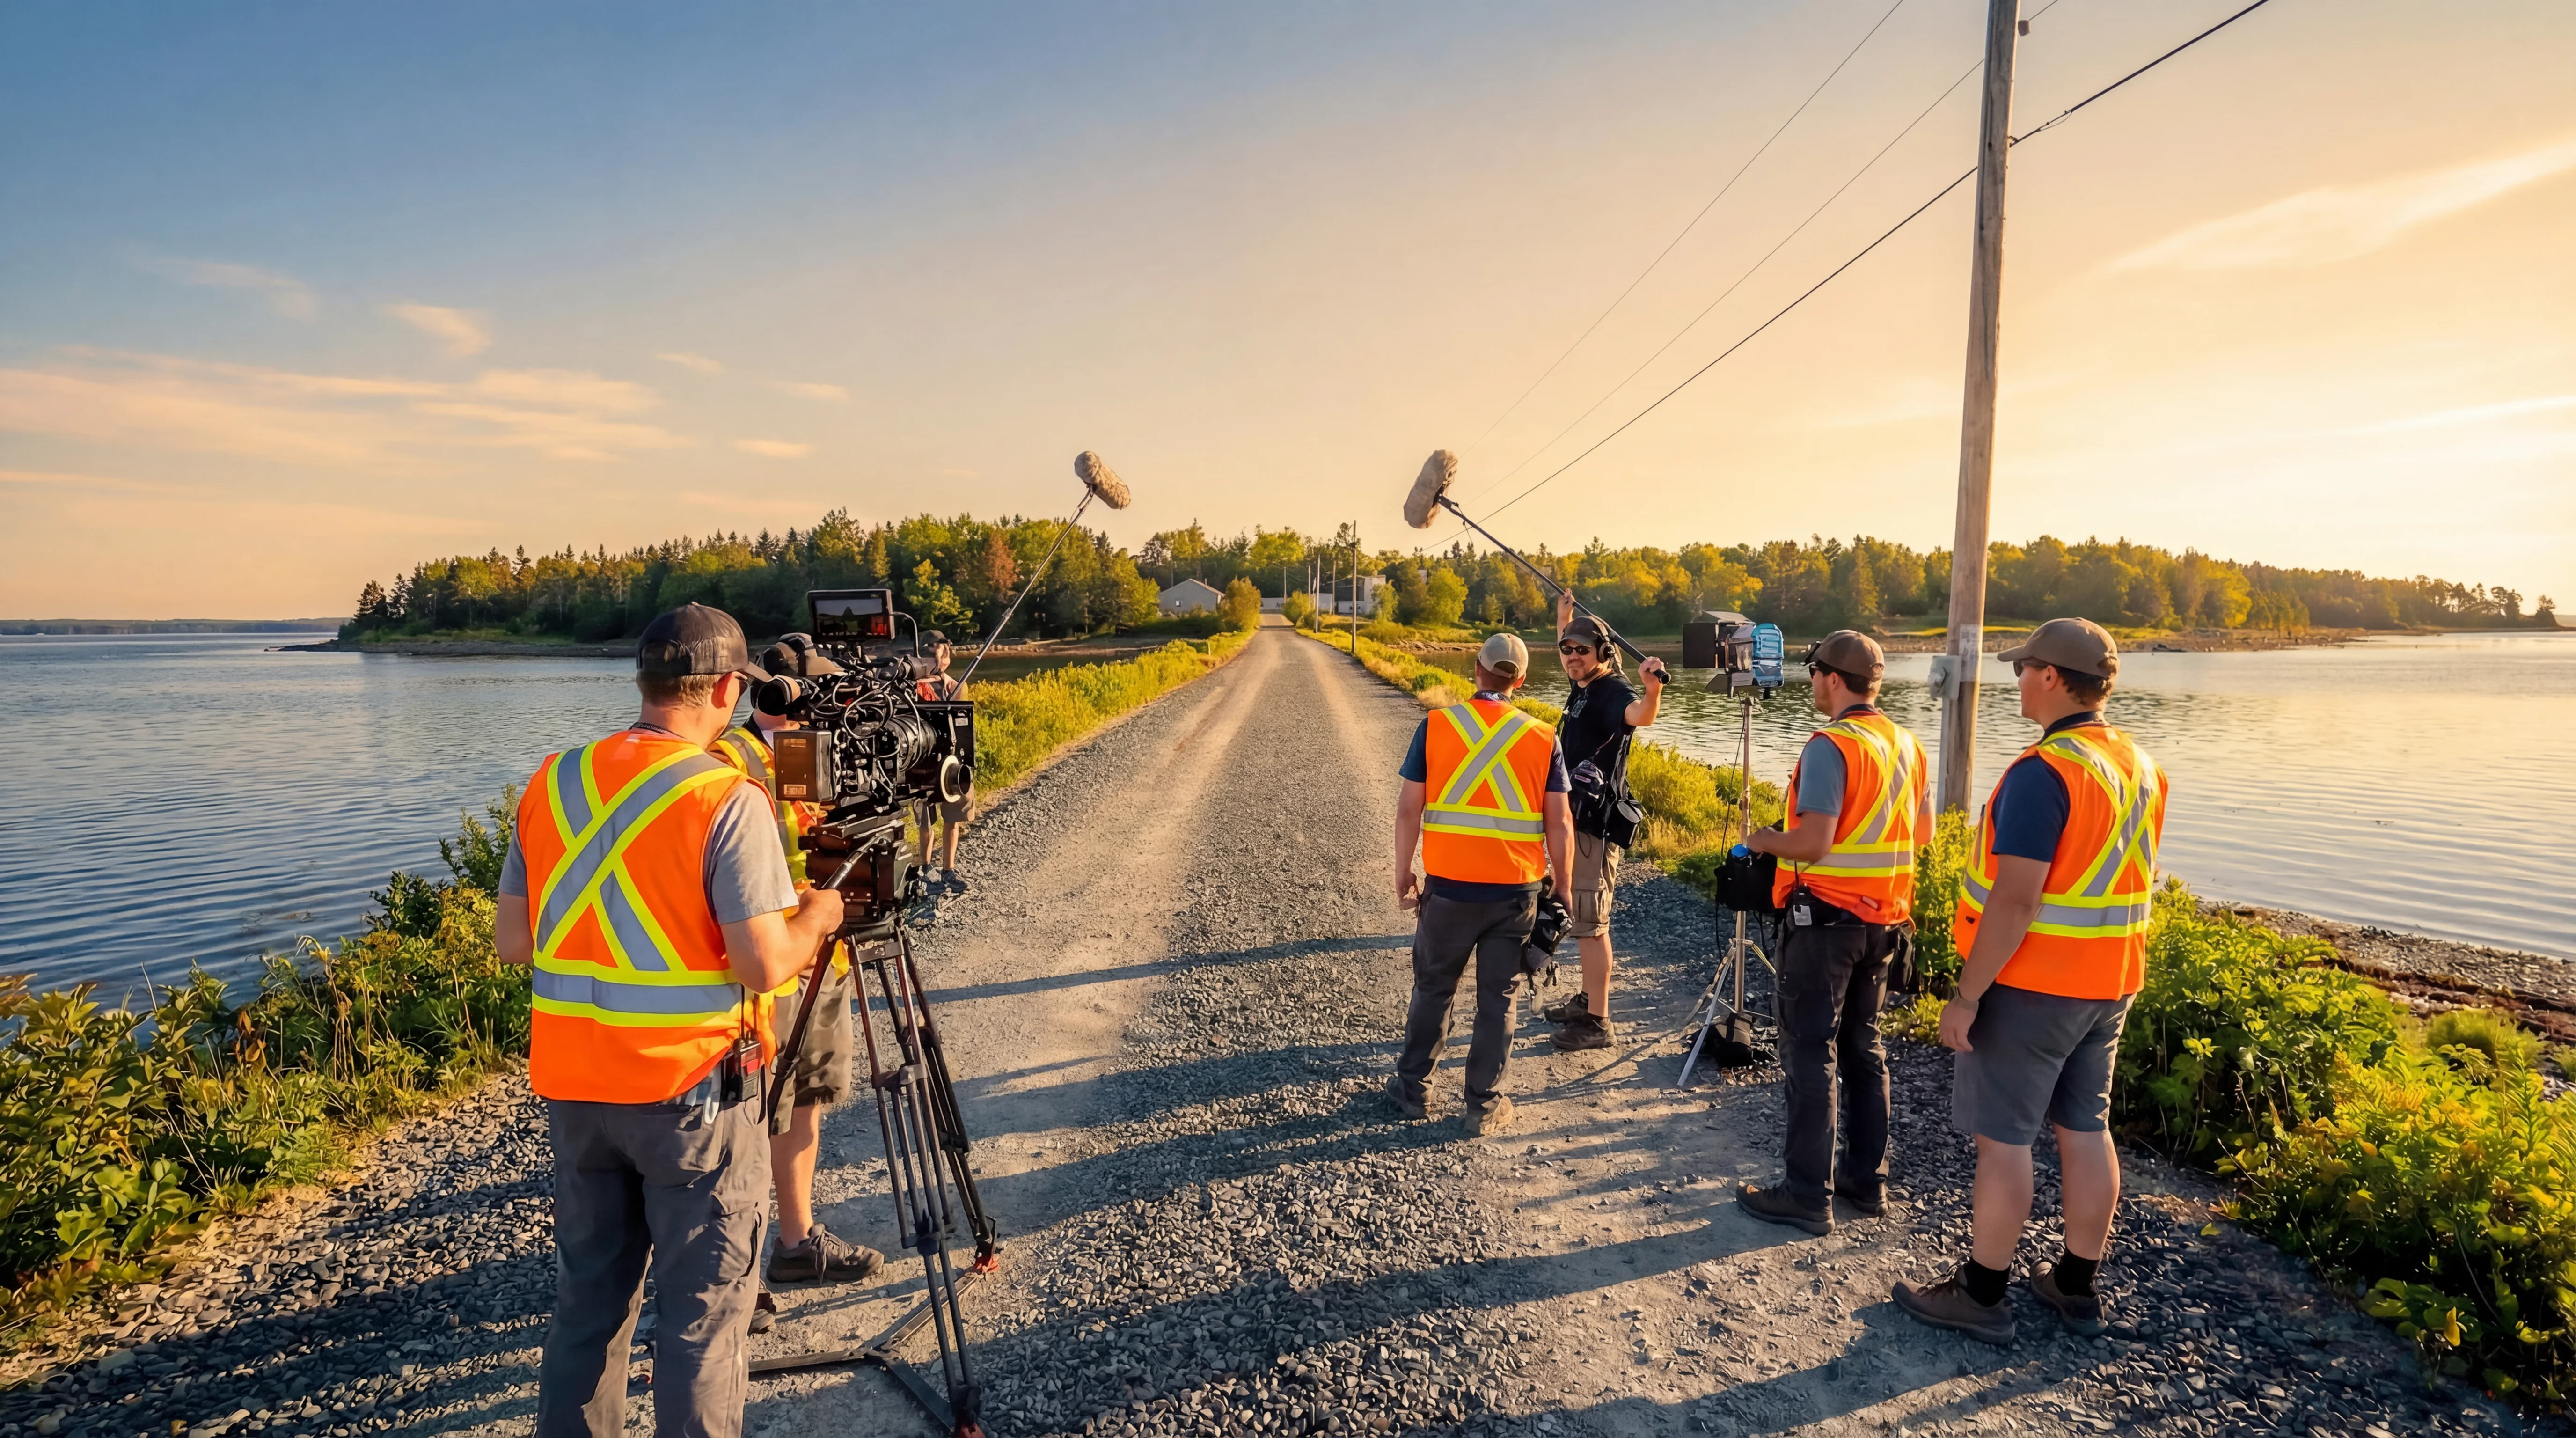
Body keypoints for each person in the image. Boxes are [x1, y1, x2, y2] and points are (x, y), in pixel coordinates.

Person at [495, 602, 845, 1438]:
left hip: (575, 1092)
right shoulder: (728, 797)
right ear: (726, 687)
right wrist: (819, 918)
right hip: (691, 1092)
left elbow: (515, 942)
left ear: (646, 682)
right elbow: (762, 964)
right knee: (699, 1324)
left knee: (588, 1310)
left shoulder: (554, 779)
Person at [1893, 617, 2167, 1345]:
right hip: (2111, 981)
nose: (2014, 679)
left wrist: (1967, 995)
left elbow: (2017, 899)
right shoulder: (2138, 764)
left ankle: (1982, 1295)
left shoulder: (2044, 773)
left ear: (2051, 676)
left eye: (2022, 668)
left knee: (2004, 1140)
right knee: (2086, 1127)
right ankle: (2074, 1285)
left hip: (2034, 984)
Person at [708, 641, 883, 1337]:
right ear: (781, 700)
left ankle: (795, 1242)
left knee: (808, 1103)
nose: (839, 716)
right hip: (761, 974)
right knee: (749, 1122)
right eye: (827, 703)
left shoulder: (825, 754)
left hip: (823, 960)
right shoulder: (729, 764)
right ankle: (731, 1274)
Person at [1734, 631, 1931, 1237]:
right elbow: (1920, 836)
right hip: (1884, 924)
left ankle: (1804, 1195)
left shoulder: (1831, 745)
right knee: (1864, 1051)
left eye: (1814, 670)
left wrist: (1763, 839)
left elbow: (1814, 842)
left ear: (1833, 679)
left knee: (1810, 1050)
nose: (1810, 681)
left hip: (1825, 924)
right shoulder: (1907, 744)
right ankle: (1865, 1182)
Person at [1388, 633, 1576, 1136]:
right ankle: (1482, 1105)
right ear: (1520, 679)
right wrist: (1563, 884)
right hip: (1515, 892)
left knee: (1433, 989)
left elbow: (1410, 807)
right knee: (1499, 997)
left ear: (1475, 670)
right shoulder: (1542, 737)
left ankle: (1412, 1090)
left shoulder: (1436, 726)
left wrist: (1403, 870)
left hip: (1448, 888)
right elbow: (1559, 823)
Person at [1538, 593, 1668, 1051]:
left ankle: (1598, 1022)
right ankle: (1588, 998)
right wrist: (1564, 620)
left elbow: (1640, 717)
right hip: (1573, 820)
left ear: (1604, 655)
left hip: (1594, 825)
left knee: (1591, 926)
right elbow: (1571, 650)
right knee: (1579, 919)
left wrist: (1652, 689)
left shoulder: (1614, 692)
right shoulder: (1584, 684)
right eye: (1565, 650)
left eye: (1581, 651)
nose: (1571, 657)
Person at [911, 631, 973, 894]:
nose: (938, 656)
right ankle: (926, 870)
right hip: (921, 762)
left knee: (953, 818)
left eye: (937, 651)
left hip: (951, 762)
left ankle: (948, 870)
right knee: (925, 821)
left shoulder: (955, 686)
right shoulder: (912, 686)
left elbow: (963, 724)